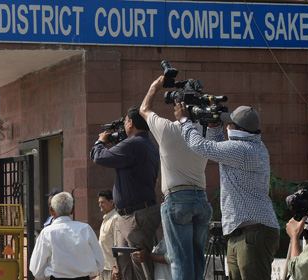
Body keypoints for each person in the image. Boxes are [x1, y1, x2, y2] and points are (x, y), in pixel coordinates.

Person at [174, 104, 280, 280]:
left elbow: (202, 147)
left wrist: (185, 121)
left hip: (253, 234)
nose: (227, 126)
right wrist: (214, 127)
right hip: (241, 233)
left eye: (229, 124)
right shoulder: (248, 146)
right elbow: (220, 148)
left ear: (239, 129)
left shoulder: (244, 150)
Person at [140, 75, 213, 279]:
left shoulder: (167, 129)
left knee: (179, 260)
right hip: (201, 198)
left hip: (178, 199)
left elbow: (144, 109)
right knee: (198, 258)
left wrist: (154, 86)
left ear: (178, 106)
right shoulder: (203, 132)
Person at [90, 105, 161, 280]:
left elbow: (99, 156)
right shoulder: (146, 144)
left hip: (136, 216)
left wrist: (100, 141)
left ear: (130, 123)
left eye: (125, 123)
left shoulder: (134, 144)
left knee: (140, 268)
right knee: (123, 267)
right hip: (128, 216)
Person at [29, 192, 105, 280]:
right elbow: (100, 263)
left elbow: (36, 269)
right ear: (72, 209)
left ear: (52, 210)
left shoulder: (47, 232)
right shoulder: (85, 229)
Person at [97, 189, 120, 280]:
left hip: (111, 270)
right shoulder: (106, 219)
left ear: (111, 202)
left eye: (102, 202)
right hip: (104, 268)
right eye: (99, 202)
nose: (100, 205)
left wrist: (116, 267)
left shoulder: (115, 218)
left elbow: (117, 245)